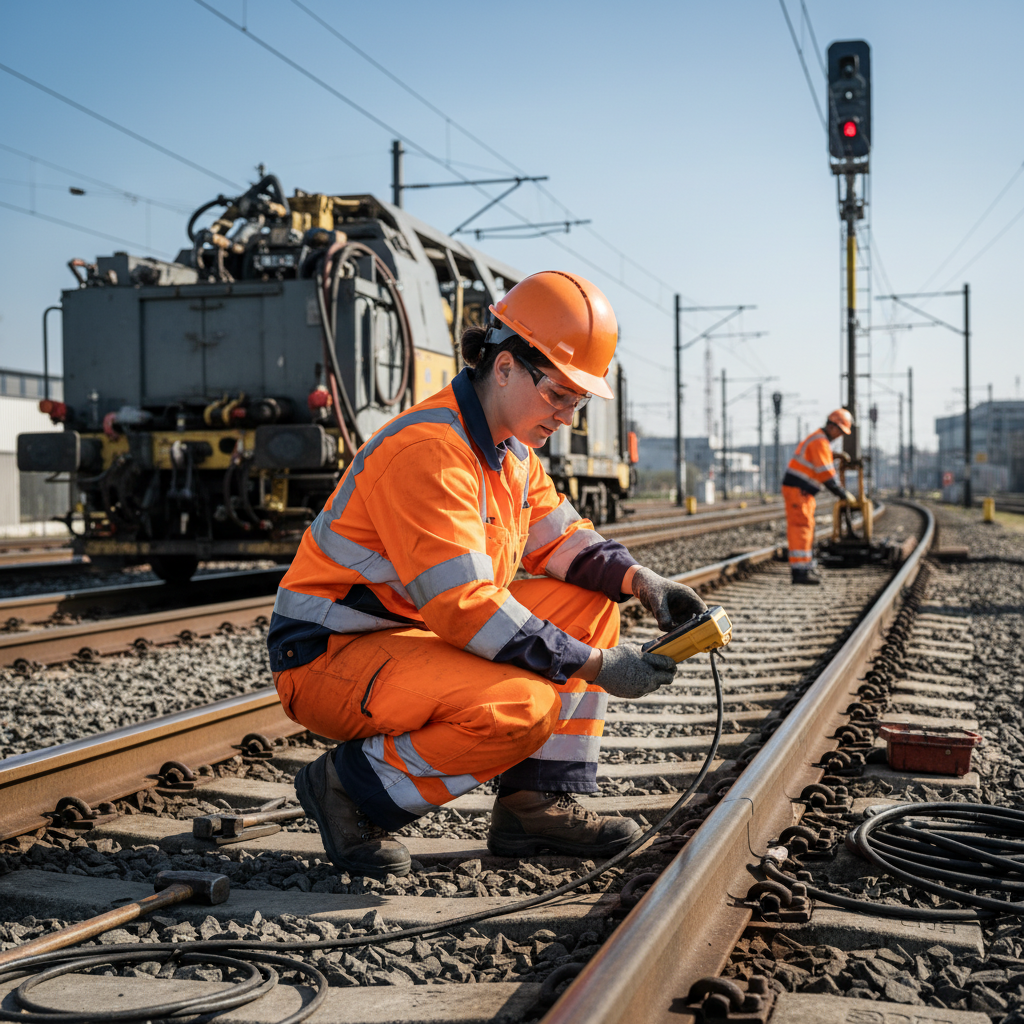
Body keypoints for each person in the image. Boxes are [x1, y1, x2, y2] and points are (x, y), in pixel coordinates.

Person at [267, 270, 707, 878]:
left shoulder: (511, 451)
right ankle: (347, 789)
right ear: (504, 367)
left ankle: (534, 805)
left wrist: (644, 583)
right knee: (521, 707)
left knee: (592, 601)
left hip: (405, 637)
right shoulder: (430, 451)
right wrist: (600, 666)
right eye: (558, 395)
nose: (567, 418)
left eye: (576, 402)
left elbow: (565, 541)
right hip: (330, 657)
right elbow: (466, 606)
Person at [781, 409, 858, 585]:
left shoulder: (819, 440)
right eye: (840, 431)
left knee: (806, 527)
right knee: (801, 528)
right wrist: (841, 493)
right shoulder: (820, 442)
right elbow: (826, 475)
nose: (839, 436)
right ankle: (800, 572)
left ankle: (805, 567)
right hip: (797, 491)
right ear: (832, 426)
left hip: (802, 492)